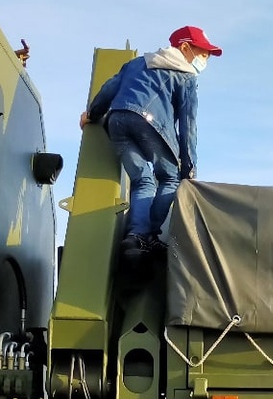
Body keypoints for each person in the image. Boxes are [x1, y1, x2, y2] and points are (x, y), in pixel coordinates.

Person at [81, 26, 222, 271]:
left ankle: (134, 236)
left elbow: (108, 90)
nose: (204, 61)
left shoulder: (136, 64)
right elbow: (188, 125)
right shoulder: (186, 76)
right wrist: (188, 168)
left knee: (142, 180)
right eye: (203, 54)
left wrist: (92, 115)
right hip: (150, 123)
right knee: (170, 178)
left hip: (117, 121)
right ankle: (149, 236)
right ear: (185, 48)